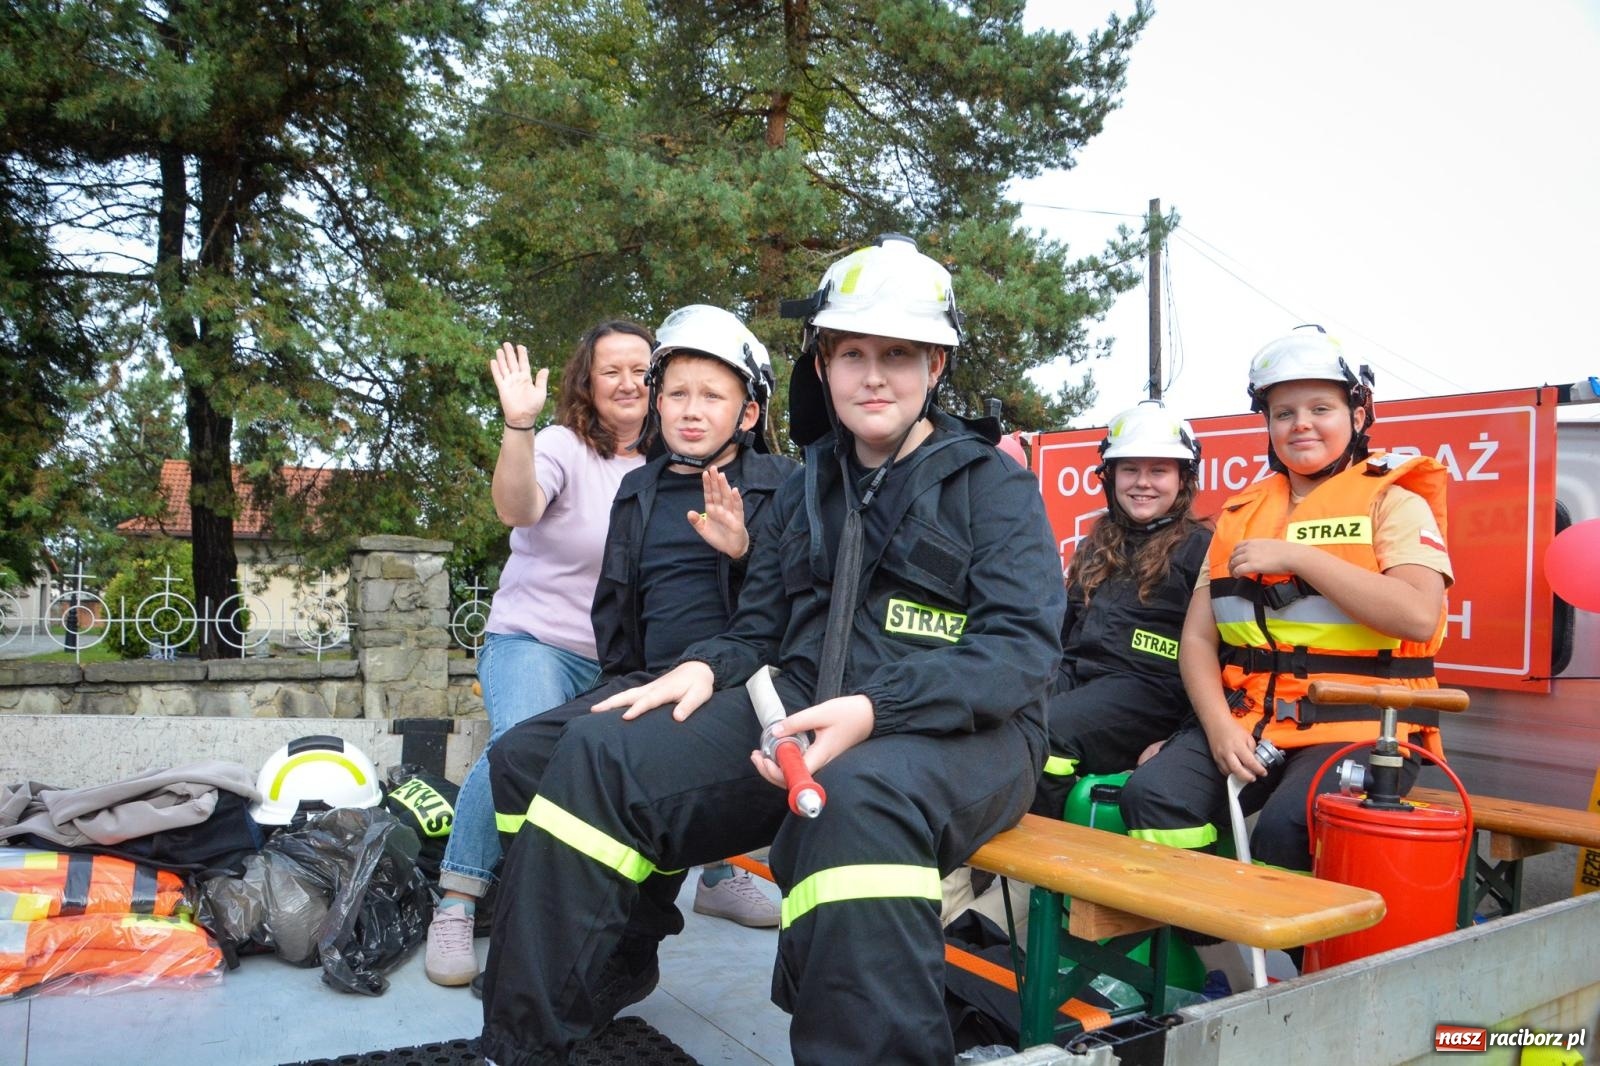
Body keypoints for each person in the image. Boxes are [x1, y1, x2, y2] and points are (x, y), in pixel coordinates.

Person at [478, 235, 1065, 1066]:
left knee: (855, 802)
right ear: (822, 364)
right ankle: (525, 1042)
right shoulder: (807, 486)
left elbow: (1019, 652)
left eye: (897, 355)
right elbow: (757, 631)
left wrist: (875, 709)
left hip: (967, 733)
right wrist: (703, 665)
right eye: (851, 353)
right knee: (599, 749)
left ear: (935, 365)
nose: (872, 376)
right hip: (800, 705)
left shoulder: (992, 485)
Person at [487, 303, 796, 947]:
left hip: (733, 690)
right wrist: (615, 682)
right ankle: (544, 911)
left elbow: (787, 611)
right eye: (677, 394)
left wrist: (743, 553)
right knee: (518, 757)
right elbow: (617, 612)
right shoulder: (637, 490)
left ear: (748, 413)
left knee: (597, 754)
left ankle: (623, 936)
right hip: (645, 682)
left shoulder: (785, 485)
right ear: (658, 404)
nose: (690, 410)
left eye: (711, 396)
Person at [1119, 325, 1453, 879]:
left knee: (1288, 827)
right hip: (1252, 723)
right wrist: (1218, 727)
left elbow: (1418, 614)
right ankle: (1201, 926)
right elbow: (1197, 639)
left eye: (1320, 408)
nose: (1300, 424)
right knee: (1153, 795)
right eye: (1283, 413)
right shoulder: (1242, 513)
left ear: (1358, 416)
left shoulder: (1393, 502)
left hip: (1363, 730)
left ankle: (1291, 939)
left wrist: (1301, 558)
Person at [424, 321, 653, 988]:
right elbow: (516, 508)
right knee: (522, 745)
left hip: (624, 661)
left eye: (642, 369)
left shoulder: (675, 463)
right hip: (536, 640)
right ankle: (458, 900)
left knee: (676, 740)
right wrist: (518, 426)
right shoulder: (560, 445)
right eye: (611, 369)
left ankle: (718, 875)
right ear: (587, 382)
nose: (628, 382)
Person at [1029, 399, 1212, 821]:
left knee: (1048, 731)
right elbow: (1060, 637)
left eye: (1158, 471)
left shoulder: (1202, 550)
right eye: (1130, 470)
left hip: (1151, 694)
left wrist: (1179, 740)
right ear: (1110, 477)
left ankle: (1055, 852)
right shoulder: (1097, 544)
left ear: (1183, 479)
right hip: (1079, 678)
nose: (1142, 483)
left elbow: (1222, 659)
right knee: (1005, 710)